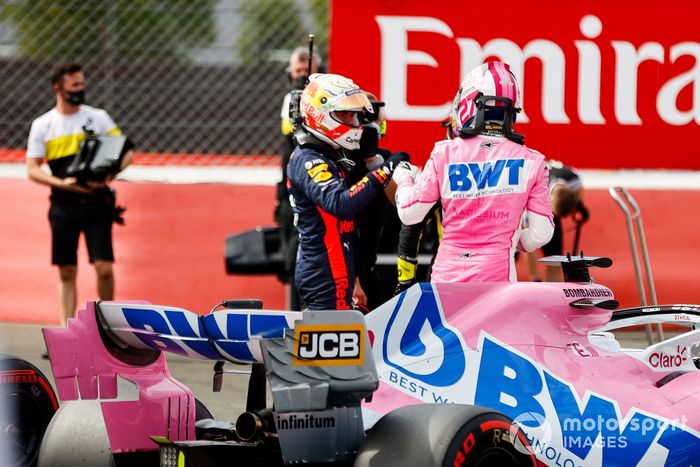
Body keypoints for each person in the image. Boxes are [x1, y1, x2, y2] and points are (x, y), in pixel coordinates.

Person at [394, 61, 554, 283]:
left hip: (446, 279)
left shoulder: (444, 153)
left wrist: (404, 177)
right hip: (498, 278)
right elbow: (541, 233)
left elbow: (410, 213)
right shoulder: (533, 160)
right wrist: (510, 240)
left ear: (469, 102)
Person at [287, 73, 407, 310]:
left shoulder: (335, 155)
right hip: (323, 274)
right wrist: (385, 169)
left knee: (357, 344)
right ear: (321, 114)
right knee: (331, 344)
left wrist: (376, 162)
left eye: (357, 115)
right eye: (346, 114)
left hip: (344, 269)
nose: (356, 123)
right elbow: (340, 204)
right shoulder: (308, 158)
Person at [26, 62, 133, 327]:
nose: (80, 89)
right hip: (63, 203)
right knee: (66, 270)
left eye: (82, 84)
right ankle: (66, 331)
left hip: (97, 203)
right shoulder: (44, 124)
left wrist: (109, 175)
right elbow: (32, 169)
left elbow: (127, 151)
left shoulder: (97, 117)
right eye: (74, 85)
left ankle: (108, 328)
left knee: (104, 267)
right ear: (58, 88)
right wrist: (62, 183)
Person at [274, 47, 323, 310]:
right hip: (292, 190)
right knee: (293, 260)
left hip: (321, 187)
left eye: (308, 71)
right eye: (298, 72)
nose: (302, 76)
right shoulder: (290, 99)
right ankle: (295, 319)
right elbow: (288, 128)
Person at [526, 160, 589, 281]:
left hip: (555, 192)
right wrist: (535, 277)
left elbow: (580, 191)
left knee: (555, 259)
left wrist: (578, 204)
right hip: (525, 214)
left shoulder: (574, 179)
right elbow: (527, 246)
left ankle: (551, 293)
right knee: (519, 248)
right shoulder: (535, 192)